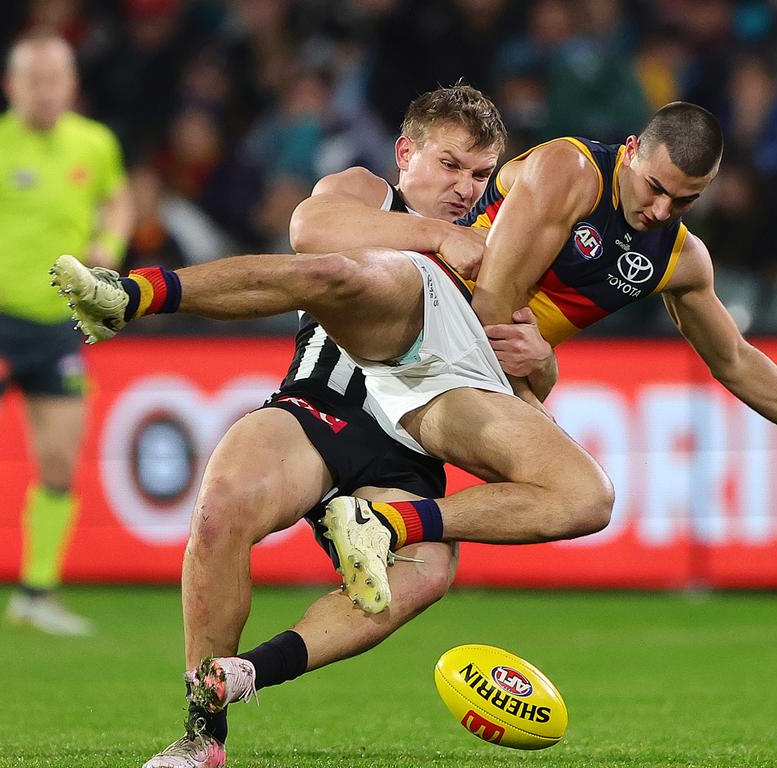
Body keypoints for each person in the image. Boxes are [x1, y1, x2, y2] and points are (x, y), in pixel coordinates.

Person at [53, 100, 777, 721]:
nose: (662, 208)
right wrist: (497, 318)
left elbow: (733, 359)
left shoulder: (678, 258)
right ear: (632, 151)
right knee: (324, 319)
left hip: (450, 390)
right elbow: (466, 283)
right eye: (656, 186)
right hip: (397, 359)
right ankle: (132, 292)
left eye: (684, 201)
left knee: (576, 504)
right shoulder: (563, 171)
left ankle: (265, 651)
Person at [135, 85, 553, 767]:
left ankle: (244, 675)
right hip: (314, 411)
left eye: (480, 176)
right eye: (450, 166)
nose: (465, 189)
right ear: (405, 154)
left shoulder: (497, 261)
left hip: (406, 453)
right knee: (219, 515)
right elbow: (312, 228)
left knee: (425, 571)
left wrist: (543, 362)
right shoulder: (365, 192)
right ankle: (203, 739)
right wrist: (441, 239)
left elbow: (524, 403)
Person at [0, 32, 133, 635]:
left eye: (56, 79)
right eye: (33, 80)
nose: (45, 91)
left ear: (72, 85)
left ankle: (36, 594)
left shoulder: (93, 144)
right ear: (10, 85)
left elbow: (117, 201)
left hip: (61, 328)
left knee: (59, 465)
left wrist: (109, 245)